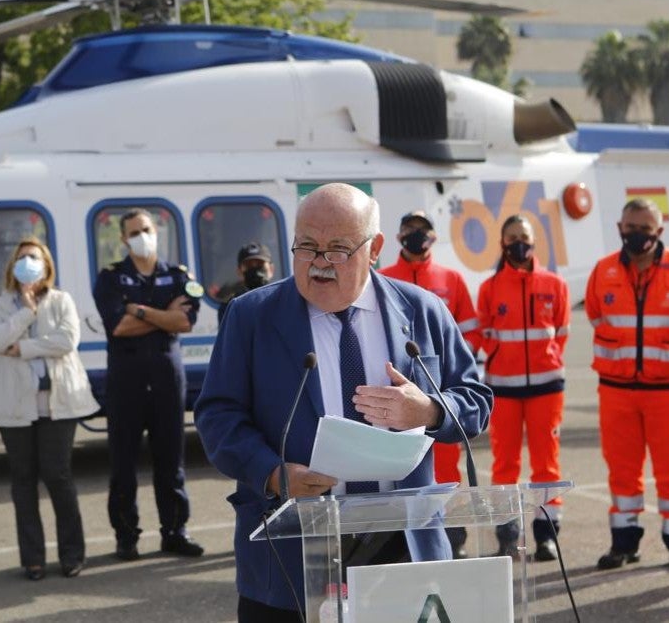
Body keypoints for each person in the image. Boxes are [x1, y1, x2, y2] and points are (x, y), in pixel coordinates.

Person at [195, 183, 492, 622]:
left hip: (403, 544)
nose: (318, 263)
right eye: (307, 247)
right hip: (293, 547)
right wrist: (272, 473)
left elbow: (475, 399)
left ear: (374, 248)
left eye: (336, 249)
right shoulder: (251, 316)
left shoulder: (422, 309)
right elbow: (218, 416)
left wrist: (428, 410)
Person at [585, 198, 669, 573]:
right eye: (630, 227)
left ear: (659, 232)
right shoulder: (603, 270)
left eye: (645, 228)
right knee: (622, 471)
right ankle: (624, 544)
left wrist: (666, 350)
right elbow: (596, 314)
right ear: (620, 227)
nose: (636, 235)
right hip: (616, 390)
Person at [91, 209, 204, 560]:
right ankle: (127, 537)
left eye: (147, 229)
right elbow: (118, 327)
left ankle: (174, 532)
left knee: (171, 461)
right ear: (123, 239)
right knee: (123, 464)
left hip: (168, 381)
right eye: (134, 232)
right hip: (126, 382)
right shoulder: (111, 278)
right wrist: (162, 317)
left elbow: (184, 321)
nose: (142, 236)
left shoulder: (179, 275)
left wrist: (138, 311)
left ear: (156, 231)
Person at [0, 237, 100, 580]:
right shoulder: (0, 305)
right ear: (12, 267)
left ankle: (72, 554)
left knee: (58, 476)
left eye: (34, 258)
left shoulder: (62, 300)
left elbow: (67, 341)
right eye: (22, 258)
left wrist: (23, 348)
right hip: (15, 408)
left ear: (46, 265)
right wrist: (26, 312)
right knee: (23, 482)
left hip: (59, 406)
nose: (28, 263)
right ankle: (32, 559)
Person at [378, 210, 482, 558]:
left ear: (434, 237)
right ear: (398, 236)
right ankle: (401, 542)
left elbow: (469, 332)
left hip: (441, 400)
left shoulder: (450, 279)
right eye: (409, 229)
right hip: (396, 398)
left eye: (423, 230)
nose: (416, 235)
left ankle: (451, 538)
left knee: (446, 469)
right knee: (401, 473)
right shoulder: (383, 279)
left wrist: (454, 375)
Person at [476, 214, 570, 562]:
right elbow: (484, 332)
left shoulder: (554, 284)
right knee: (505, 465)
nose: (519, 242)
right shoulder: (489, 288)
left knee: (547, 464)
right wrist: (503, 358)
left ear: (534, 242)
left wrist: (548, 359)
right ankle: (508, 534)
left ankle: (547, 536)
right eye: (513, 236)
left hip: (547, 386)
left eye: (525, 236)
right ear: (502, 243)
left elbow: (561, 331)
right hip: (503, 388)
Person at [217, 242, 275, 324]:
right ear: (239, 272)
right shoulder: (230, 307)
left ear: (271, 269)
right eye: (249, 266)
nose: (255, 270)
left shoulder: (284, 301)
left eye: (260, 264)